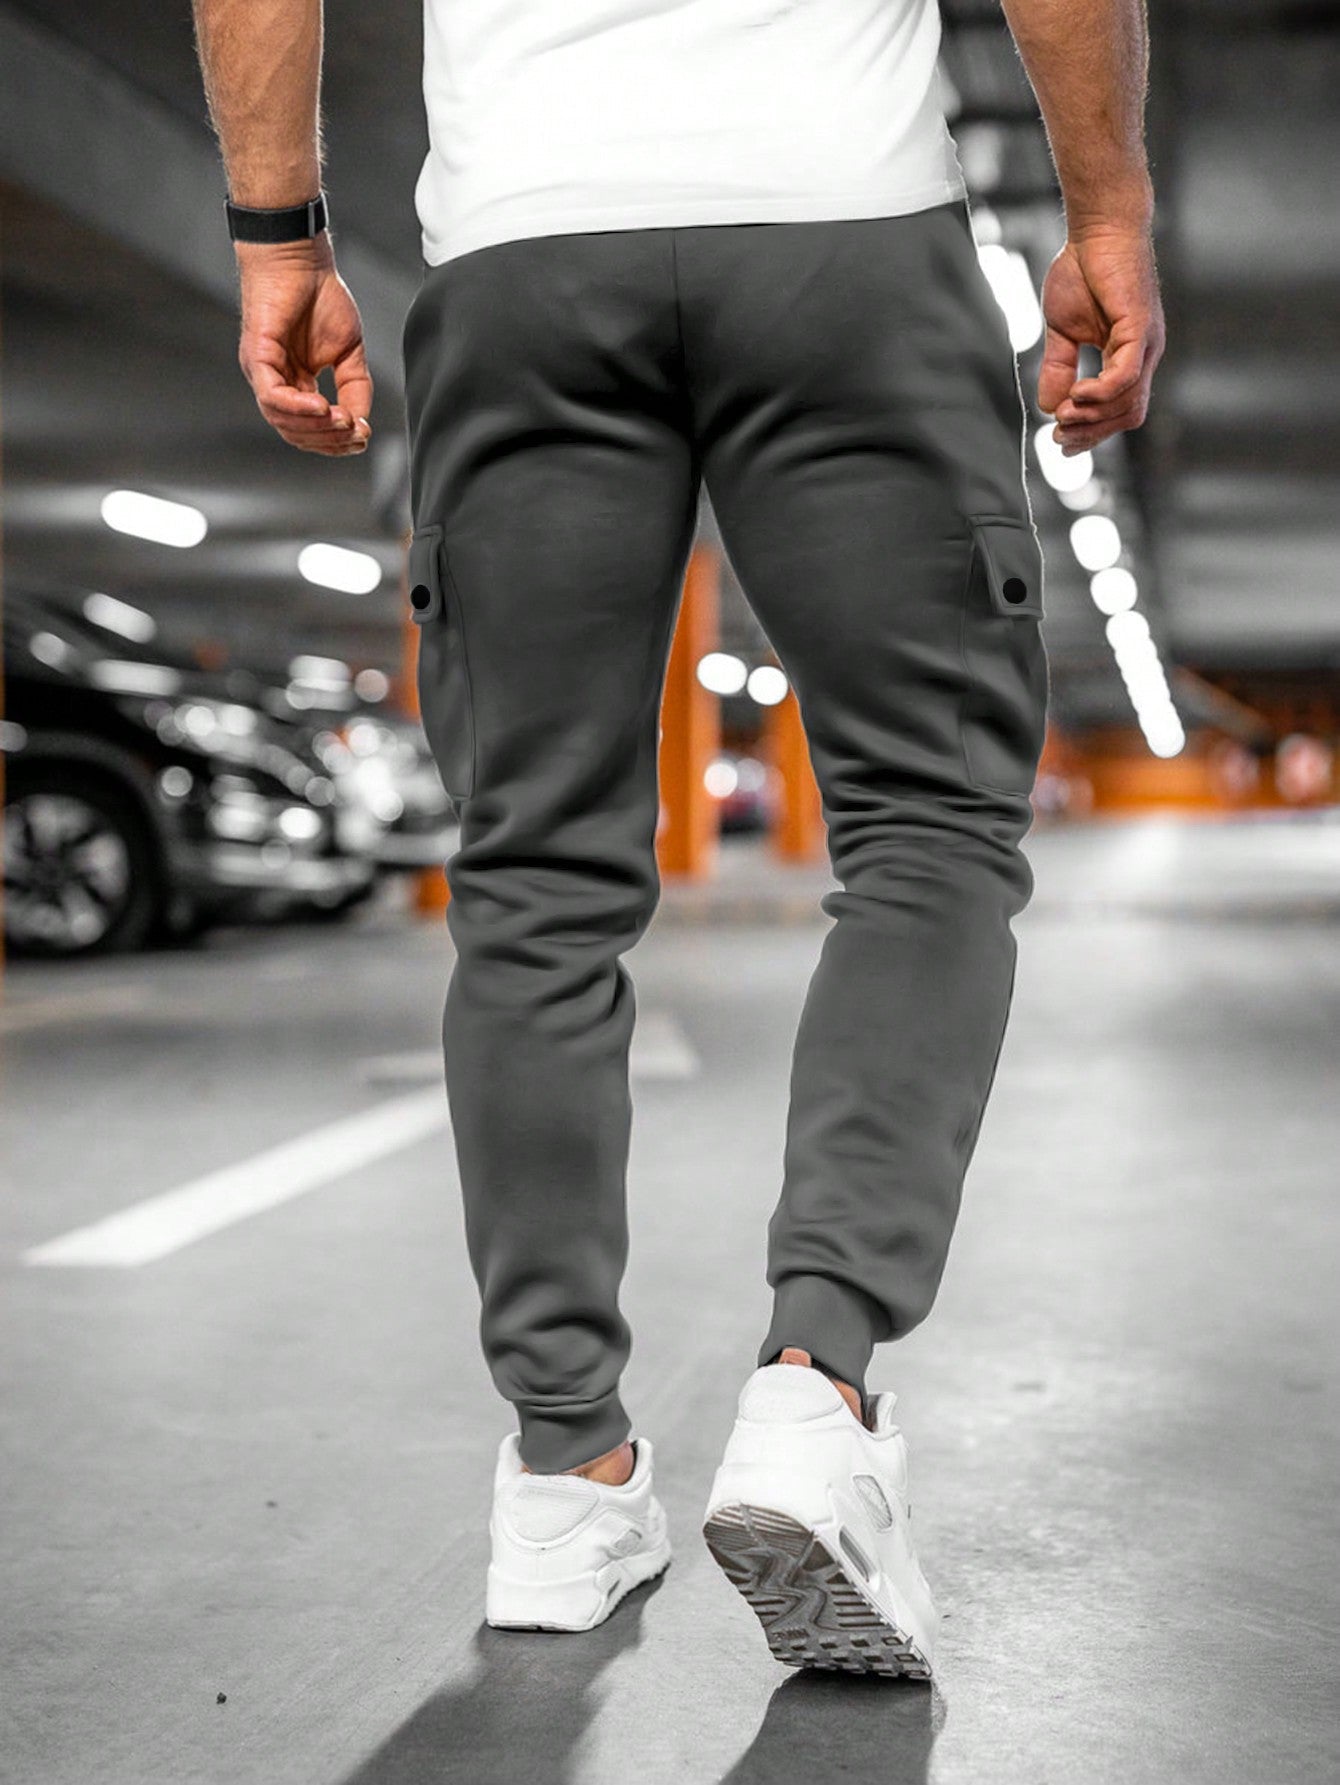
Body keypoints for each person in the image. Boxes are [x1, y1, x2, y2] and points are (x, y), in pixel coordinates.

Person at [193, 0, 1163, 1678]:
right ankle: (816, 1386)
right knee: (929, 818)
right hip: (848, 228)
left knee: (533, 879)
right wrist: (1107, 211)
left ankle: (565, 1473)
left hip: (524, 247)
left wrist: (280, 238)